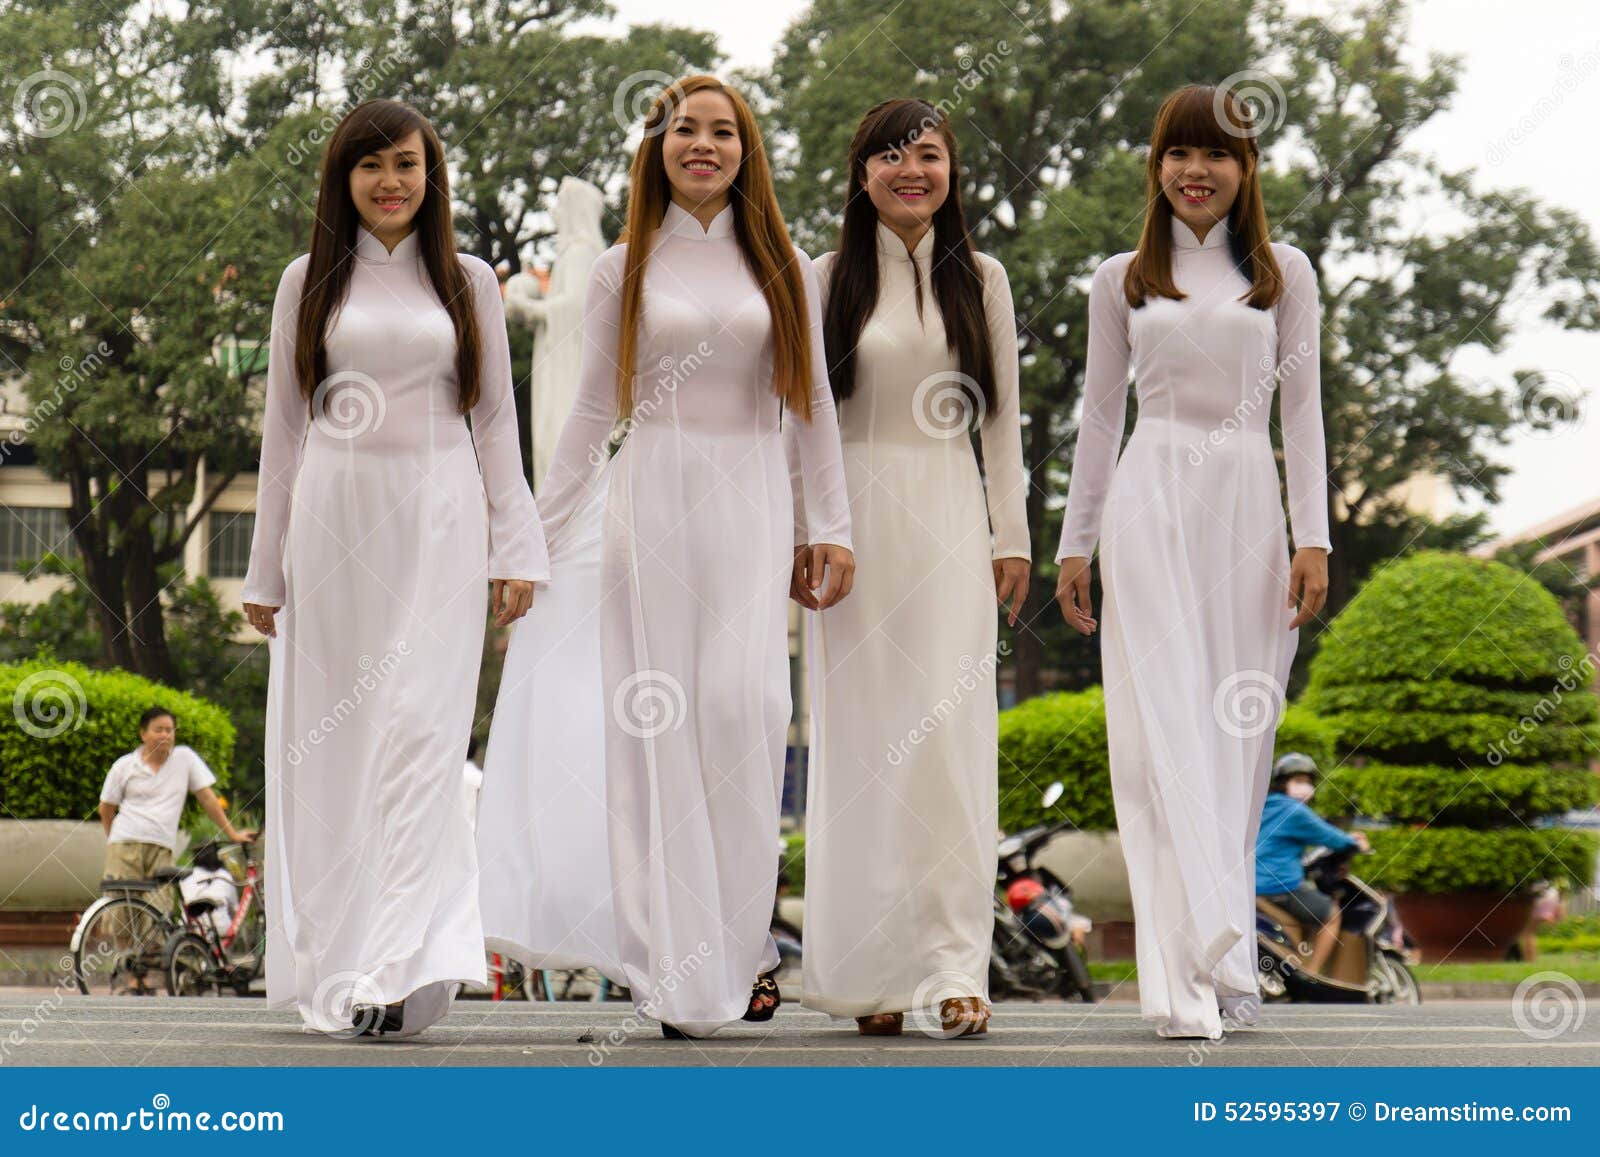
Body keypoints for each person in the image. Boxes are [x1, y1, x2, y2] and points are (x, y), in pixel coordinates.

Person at [477, 74, 854, 1040]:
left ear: (746, 150)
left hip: (754, 509)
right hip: (653, 507)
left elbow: (809, 405)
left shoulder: (786, 268)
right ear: (658, 149)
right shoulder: (622, 267)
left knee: (749, 714)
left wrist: (831, 526)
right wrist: (529, 538)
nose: (703, 145)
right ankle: (671, 964)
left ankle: (741, 946)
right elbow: (591, 418)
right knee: (656, 731)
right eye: (684, 129)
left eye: (722, 132)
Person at [240, 97, 547, 1039]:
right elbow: (285, 428)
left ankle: (398, 961)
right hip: (334, 526)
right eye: (370, 166)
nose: (390, 182)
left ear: (431, 174)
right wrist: (264, 570)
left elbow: (495, 419)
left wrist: (518, 544)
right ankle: (346, 953)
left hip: (441, 520)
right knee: (340, 744)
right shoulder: (309, 279)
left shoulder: (470, 280)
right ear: (344, 179)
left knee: (419, 734)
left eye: (406, 164)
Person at [1054, 84, 1333, 1040]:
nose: (1196, 171)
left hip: (1250, 506)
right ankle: (1178, 978)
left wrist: (1313, 536)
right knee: (1157, 731)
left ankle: (1229, 956)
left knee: (1237, 727)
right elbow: (1098, 418)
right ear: (1156, 166)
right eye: (1178, 153)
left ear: (1247, 169)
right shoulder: (1122, 277)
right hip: (1152, 500)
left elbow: (1303, 415)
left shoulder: (1283, 272)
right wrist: (1073, 543)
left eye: (1217, 154)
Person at [794, 98, 1029, 1040]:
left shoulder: (984, 278)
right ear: (861, 175)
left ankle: (953, 967)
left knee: (948, 738)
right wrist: (809, 528)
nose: (910, 172)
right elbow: (802, 418)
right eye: (889, 157)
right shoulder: (823, 279)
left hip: (949, 518)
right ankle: (868, 974)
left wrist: (1010, 534)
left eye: (927, 156)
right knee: (859, 746)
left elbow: (1003, 418)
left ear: (950, 172)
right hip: (851, 529)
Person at [98, 706, 254, 993]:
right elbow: (106, 807)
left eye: (170, 730)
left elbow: (207, 797)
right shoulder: (124, 765)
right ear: (143, 733)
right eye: (159, 729)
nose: (166, 735)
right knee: (122, 907)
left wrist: (231, 832)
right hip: (125, 841)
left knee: (158, 909)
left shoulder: (184, 759)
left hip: (161, 844)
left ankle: (148, 970)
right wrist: (113, 839)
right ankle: (131, 976)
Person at [1256, 752, 1369, 975]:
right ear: (1283, 783)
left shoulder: (1264, 806)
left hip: (1252, 884)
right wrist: (1355, 843)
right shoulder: (1294, 811)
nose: (1304, 787)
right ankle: (1313, 973)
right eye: (1298, 781)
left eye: (1308, 782)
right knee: (1331, 914)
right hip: (1277, 885)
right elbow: (1330, 837)